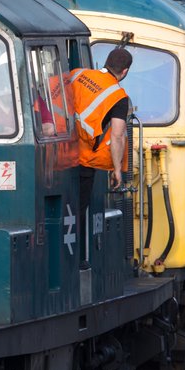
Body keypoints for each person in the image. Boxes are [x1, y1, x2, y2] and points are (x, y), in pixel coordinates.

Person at [68, 46, 133, 267]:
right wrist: (116, 170)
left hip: (55, 152)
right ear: (124, 72)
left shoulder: (78, 74)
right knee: (78, 208)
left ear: (105, 62)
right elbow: (117, 136)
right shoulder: (118, 97)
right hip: (83, 159)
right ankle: (75, 261)